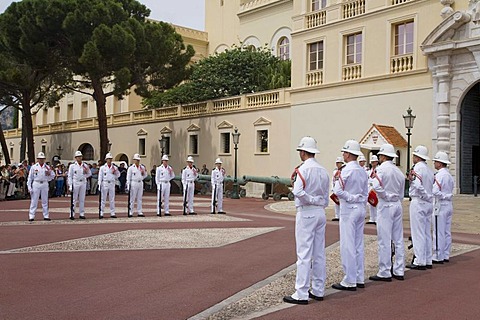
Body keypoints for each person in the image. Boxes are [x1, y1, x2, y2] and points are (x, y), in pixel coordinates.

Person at [283, 137, 329, 305]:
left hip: (306, 212)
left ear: (303, 152)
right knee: (319, 253)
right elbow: (325, 196)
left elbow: (298, 191)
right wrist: (318, 202)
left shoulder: (303, 170)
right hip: (320, 213)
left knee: (303, 254)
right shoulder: (323, 170)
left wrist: (310, 199)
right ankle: (318, 289)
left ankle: (301, 292)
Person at [332, 140, 368, 291]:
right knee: (358, 244)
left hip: (349, 209)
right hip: (360, 208)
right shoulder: (362, 170)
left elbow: (337, 190)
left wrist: (350, 197)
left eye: (344, 152)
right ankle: (359, 277)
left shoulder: (346, 170)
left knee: (347, 244)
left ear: (347, 154)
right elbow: (366, 192)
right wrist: (359, 199)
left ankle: (349, 279)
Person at [368, 144, 406, 282]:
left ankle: (385, 271)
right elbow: (402, 193)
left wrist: (384, 196)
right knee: (398, 238)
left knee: (384, 238)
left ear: (383, 156)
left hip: (386, 204)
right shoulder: (398, 172)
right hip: (397, 204)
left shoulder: (381, 169)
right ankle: (399, 269)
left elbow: (376, 186)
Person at [407, 145, 434, 270]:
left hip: (419, 201)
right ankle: (428, 258)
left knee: (418, 232)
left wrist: (424, 195)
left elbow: (417, 185)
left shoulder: (417, 167)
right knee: (426, 232)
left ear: (417, 157)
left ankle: (419, 260)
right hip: (428, 203)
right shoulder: (429, 169)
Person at [431, 151, 454, 264]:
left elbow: (434, 191)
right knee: (446, 231)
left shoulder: (439, 175)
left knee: (438, 230)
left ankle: (437, 254)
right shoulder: (449, 175)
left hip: (440, 204)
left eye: (435, 161)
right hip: (449, 204)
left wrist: (443, 196)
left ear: (440, 163)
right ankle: (446, 253)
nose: (434, 163)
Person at [26, 152, 55, 222]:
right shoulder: (34, 167)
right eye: (40, 159)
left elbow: (53, 175)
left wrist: (49, 175)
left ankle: (46, 215)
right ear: (37, 159)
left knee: (45, 201)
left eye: (42, 159)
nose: (41, 160)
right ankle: (31, 215)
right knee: (34, 200)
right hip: (36, 183)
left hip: (44, 183)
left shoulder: (47, 167)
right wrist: (29, 187)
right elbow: (30, 178)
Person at [68, 151, 92, 220]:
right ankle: (72, 214)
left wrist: (85, 175)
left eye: (80, 157)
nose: (80, 158)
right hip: (75, 182)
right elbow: (70, 176)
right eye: (78, 157)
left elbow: (89, 173)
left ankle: (82, 213)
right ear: (75, 158)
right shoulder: (72, 166)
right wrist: (70, 185)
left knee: (82, 199)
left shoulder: (85, 165)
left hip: (83, 182)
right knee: (74, 199)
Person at [98, 153, 121, 219]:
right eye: (108, 159)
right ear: (106, 160)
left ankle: (112, 212)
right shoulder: (102, 168)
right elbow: (100, 176)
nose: (109, 160)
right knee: (103, 199)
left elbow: (118, 175)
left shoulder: (114, 167)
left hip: (112, 183)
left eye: (110, 159)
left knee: (112, 199)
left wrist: (115, 173)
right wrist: (99, 184)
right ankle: (101, 212)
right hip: (105, 183)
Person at [366, 155, 379, 225]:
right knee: (370, 204)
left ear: (377, 162)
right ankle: (372, 218)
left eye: (374, 162)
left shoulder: (379, 170)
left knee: (376, 204)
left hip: (376, 189)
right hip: (370, 188)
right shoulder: (369, 171)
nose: (373, 163)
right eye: (372, 162)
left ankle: (376, 218)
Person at [331, 156, 344, 221]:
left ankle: (341, 215)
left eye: (339, 163)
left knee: (341, 202)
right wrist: (332, 188)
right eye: (337, 163)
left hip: (341, 189)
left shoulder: (343, 171)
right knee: (336, 203)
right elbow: (333, 180)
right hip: (335, 188)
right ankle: (337, 215)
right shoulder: (335, 171)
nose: (338, 164)